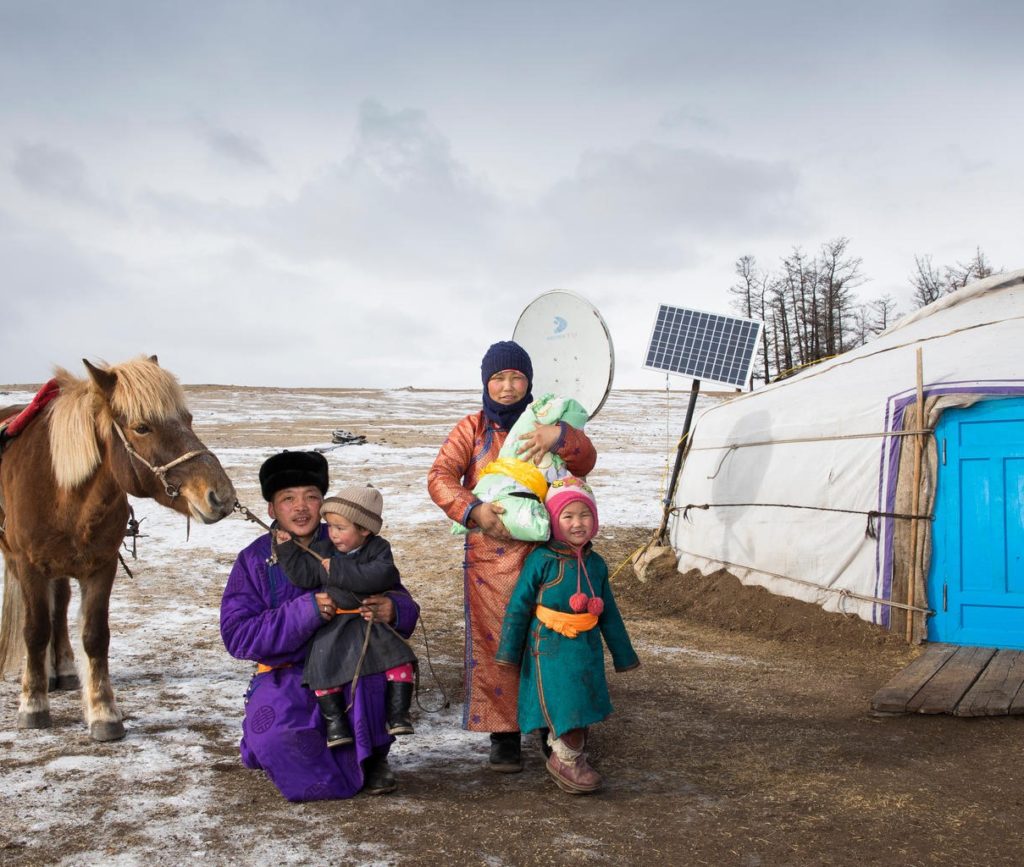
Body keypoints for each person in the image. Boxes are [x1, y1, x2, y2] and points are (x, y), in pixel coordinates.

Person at [427, 340, 597, 772]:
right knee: (497, 643)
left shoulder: (545, 422)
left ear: (529, 381)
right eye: (498, 378)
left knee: (547, 641)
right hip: (490, 555)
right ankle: (502, 734)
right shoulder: (472, 427)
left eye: (516, 377)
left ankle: (548, 726)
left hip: (547, 554)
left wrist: (561, 436)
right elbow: (440, 475)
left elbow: (586, 460)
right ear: (486, 383)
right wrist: (473, 510)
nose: (507, 387)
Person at [220, 451, 420, 801]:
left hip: (348, 662)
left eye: (311, 497)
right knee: (274, 737)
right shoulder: (253, 559)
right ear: (271, 509)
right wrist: (304, 612)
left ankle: (373, 758)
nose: (301, 508)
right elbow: (237, 635)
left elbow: (396, 592)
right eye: (287, 499)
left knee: (373, 675)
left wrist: (393, 609)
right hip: (286, 671)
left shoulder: (350, 539)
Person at [495, 477, 639, 794]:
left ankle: (570, 755)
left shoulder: (596, 564)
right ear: (554, 521)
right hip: (548, 647)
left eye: (584, 515)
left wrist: (623, 655)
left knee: (583, 703)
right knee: (566, 702)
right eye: (568, 516)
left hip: (585, 647)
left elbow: (610, 613)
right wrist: (508, 651)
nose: (577, 523)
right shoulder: (541, 560)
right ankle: (566, 760)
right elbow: (519, 607)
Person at [274, 484, 417, 748]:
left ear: (364, 529)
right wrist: (286, 550)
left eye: (341, 528)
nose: (333, 534)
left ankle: (398, 714)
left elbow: (382, 575)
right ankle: (336, 725)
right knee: (322, 667)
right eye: (330, 526)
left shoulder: (378, 549)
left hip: (368, 624)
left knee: (399, 659)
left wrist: (337, 570)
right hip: (336, 626)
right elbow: (304, 575)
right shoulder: (326, 550)